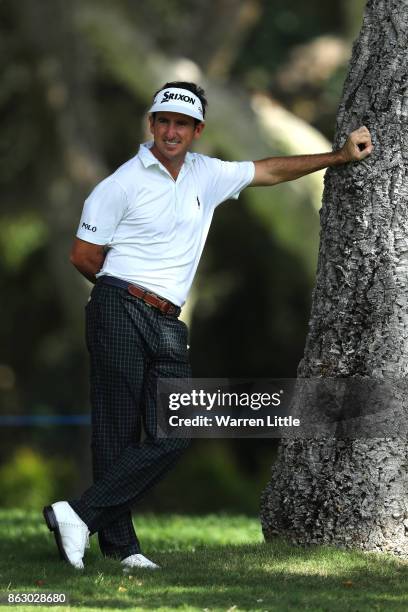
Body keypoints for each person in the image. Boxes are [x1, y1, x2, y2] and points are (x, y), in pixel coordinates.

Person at [42, 81, 373, 571]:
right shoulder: (120, 184)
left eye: (181, 124)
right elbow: (84, 256)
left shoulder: (207, 175)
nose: (171, 131)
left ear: (196, 131)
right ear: (152, 125)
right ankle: (121, 546)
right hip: (118, 307)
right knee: (115, 429)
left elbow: (268, 170)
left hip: (168, 320)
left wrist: (339, 156)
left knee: (175, 432)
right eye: (163, 121)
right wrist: (126, 289)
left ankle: (77, 514)